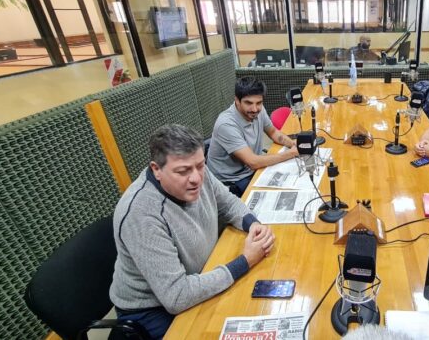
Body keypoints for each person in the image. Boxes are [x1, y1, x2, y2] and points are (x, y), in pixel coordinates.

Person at [110, 124, 275, 339]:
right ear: (156, 169)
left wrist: (252, 224)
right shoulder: (141, 214)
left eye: (200, 165)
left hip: (197, 275)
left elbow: (229, 203)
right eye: (183, 171)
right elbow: (177, 296)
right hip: (151, 309)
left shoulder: (197, 173)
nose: (196, 178)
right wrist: (245, 261)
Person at [208, 77, 298, 196]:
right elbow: (253, 162)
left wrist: (292, 144)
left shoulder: (258, 110)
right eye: (248, 103)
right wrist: (292, 153)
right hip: (232, 181)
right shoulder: (226, 124)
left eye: (259, 103)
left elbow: (273, 133)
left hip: (250, 170)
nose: (254, 109)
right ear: (237, 100)